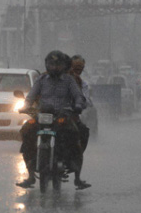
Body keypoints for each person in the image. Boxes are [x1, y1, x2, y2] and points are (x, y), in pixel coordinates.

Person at [16, 50, 90, 189]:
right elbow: (30, 97)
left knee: (78, 133)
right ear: (47, 65)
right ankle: (30, 175)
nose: (54, 67)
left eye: (58, 65)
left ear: (64, 66)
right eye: (51, 64)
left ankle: (77, 177)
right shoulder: (41, 79)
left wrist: (78, 105)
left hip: (63, 116)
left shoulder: (69, 80)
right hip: (42, 115)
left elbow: (78, 96)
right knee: (26, 130)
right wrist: (25, 106)